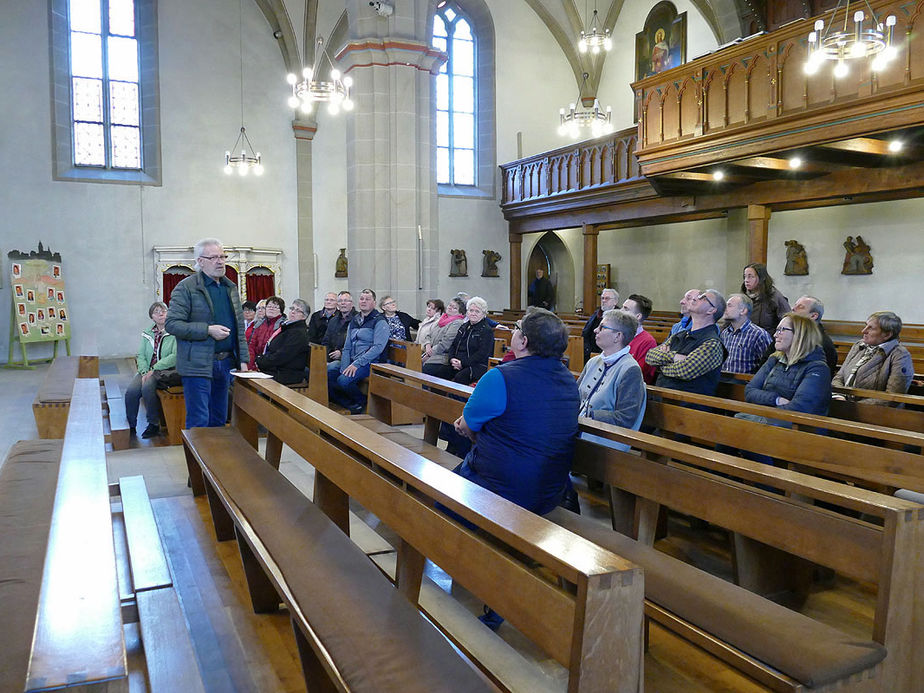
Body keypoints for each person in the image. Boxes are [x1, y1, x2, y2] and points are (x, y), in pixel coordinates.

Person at [451, 308, 579, 631]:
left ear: (522, 340)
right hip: (551, 490)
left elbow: (467, 423)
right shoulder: (568, 379)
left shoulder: (502, 376)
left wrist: (470, 427)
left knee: (436, 499)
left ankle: (461, 570)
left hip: (500, 488)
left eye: (517, 328)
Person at [165, 238, 248, 429]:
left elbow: (239, 328)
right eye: (214, 257)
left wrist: (243, 360)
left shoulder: (230, 287)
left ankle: (215, 459)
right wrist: (208, 330)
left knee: (219, 419)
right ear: (200, 261)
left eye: (223, 257)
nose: (220, 261)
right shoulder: (186, 287)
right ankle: (196, 460)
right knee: (199, 421)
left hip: (225, 362)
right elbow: (172, 324)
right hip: (198, 364)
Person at [577, 309, 647, 451]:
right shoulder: (594, 361)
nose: (596, 330)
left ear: (618, 336)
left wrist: (591, 416)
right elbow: (575, 395)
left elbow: (626, 417)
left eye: (602, 327)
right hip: (581, 429)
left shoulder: (630, 369)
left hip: (604, 437)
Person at [744, 313, 831, 420]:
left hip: (798, 429)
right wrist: (776, 399)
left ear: (800, 334)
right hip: (767, 419)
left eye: (782, 330)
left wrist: (764, 411)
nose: (775, 335)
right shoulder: (774, 359)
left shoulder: (817, 368)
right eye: (776, 330)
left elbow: (799, 408)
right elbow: (749, 391)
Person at [646, 289, 727, 395]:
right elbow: (649, 356)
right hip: (663, 398)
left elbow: (684, 371)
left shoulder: (712, 344)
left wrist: (661, 365)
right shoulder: (679, 335)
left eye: (703, 298)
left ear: (711, 310)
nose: (695, 298)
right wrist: (674, 357)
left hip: (688, 406)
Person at [328, 289, 389, 414]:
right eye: (362, 299)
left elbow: (378, 348)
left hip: (370, 362)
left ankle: (363, 402)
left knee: (343, 380)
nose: (364, 301)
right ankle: (349, 404)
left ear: (374, 302)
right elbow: (347, 347)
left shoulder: (380, 321)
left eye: (368, 299)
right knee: (327, 374)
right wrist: (345, 366)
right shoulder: (355, 320)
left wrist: (356, 364)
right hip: (352, 360)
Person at [832, 311, 913, 404]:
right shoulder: (859, 346)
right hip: (840, 404)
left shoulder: (900, 355)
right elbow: (839, 377)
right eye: (866, 325)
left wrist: (852, 407)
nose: (863, 331)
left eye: (871, 328)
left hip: (874, 413)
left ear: (887, 335)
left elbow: (893, 397)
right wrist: (839, 398)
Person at [125, 301, 178, 438]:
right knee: (131, 391)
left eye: (163, 311)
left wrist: (153, 369)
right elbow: (141, 355)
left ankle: (153, 424)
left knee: (147, 387)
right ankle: (131, 425)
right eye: (156, 312)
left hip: (166, 371)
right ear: (152, 317)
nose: (160, 314)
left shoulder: (175, 331)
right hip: (146, 370)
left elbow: (175, 356)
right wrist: (143, 371)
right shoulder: (147, 333)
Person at [761, 295, 837, 373]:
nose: (793, 309)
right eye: (795, 305)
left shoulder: (823, 344)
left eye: (800, 307)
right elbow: (764, 363)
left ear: (813, 316)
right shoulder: (783, 333)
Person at [433, 297, 493, 384]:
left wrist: (462, 363)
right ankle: (438, 398)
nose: (473, 314)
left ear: (483, 314)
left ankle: (455, 398)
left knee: (460, 377)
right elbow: (453, 345)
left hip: (476, 365)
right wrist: (452, 359)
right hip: (458, 363)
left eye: (477, 311)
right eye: (471, 310)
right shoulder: (464, 327)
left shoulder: (486, 331)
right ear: (467, 312)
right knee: (439, 373)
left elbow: (482, 354)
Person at [255, 299, 310, 385]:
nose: (293, 312)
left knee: (256, 384)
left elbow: (282, 356)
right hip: (276, 368)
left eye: (298, 310)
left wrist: (261, 362)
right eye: (292, 308)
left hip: (286, 373)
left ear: (304, 316)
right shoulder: (288, 327)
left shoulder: (298, 333)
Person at [720, 293, 772, 374]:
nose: (725, 308)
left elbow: (768, 366)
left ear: (743, 311)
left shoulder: (759, 335)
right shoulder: (725, 333)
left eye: (729, 305)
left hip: (744, 384)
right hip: (724, 382)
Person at [741, 262, 790, 333]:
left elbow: (787, 321)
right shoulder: (743, 297)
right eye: (745, 276)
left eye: (751, 276)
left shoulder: (775, 297)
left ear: (761, 278)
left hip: (768, 340)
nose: (746, 280)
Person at [421, 298, 464, 373]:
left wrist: (429, 354)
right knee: (411, 366)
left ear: (460, 313)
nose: (450, 308)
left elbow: (445, 343)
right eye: (450, 305)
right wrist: (427, 345)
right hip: (430, 352)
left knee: (424, 371)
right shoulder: (442, 319)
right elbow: (428, 334)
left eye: (454, 308)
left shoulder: (457, 323)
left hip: (443, 358)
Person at [622, 293, 657, 384]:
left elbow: (639, 373)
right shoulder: (616, 334)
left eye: (626, 309)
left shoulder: (648, 342)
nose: (620, 311)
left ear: (638, 316)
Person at [248, 295, 285, 371]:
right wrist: (251, 365)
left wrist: (262, 363)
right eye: (269, 306)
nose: (271, 308)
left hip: (273, 366)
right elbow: (251, 345)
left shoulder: (283, 326)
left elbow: (280, 351)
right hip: (256, 363)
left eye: (275, 307)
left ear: (281, 311)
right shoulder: (259, 324)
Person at [581, 288, 619, 362]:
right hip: (591, 352)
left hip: (609, 354)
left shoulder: (619, 317)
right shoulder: (596, 314)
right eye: (602, 298)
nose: (604, 301)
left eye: (607, 298)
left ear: (615, 301)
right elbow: (585, 333)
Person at [322, 291, 356, 367]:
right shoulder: (333, 320)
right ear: (337, 304)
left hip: (349, 359)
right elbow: (325, 341)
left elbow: (357, 344)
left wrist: (341, 353)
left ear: (352, 303)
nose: (343, 303)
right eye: (340, 301)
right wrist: (328, 356)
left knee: (331, 368)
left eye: (346, 301)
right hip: (331, 358)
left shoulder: (357, 319)